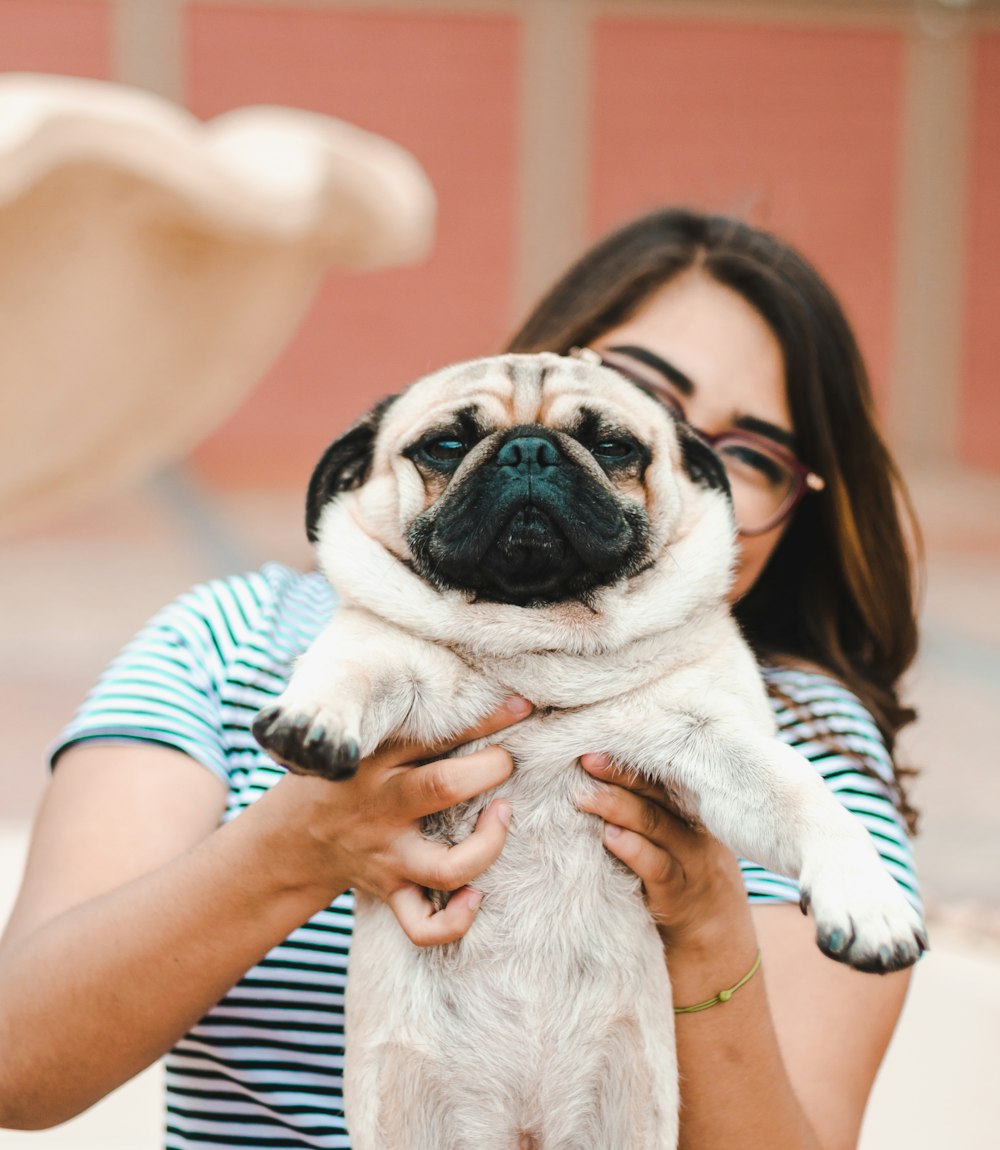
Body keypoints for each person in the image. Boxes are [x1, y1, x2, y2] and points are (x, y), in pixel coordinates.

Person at [0, 207, 923, 1149]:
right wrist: (298, 847)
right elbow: (12, 1068)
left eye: (612, 445)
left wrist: (708, 926)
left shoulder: (812, 742)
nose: (536, 464)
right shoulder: (231, 647)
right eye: (636, 390)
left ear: (731, 495)